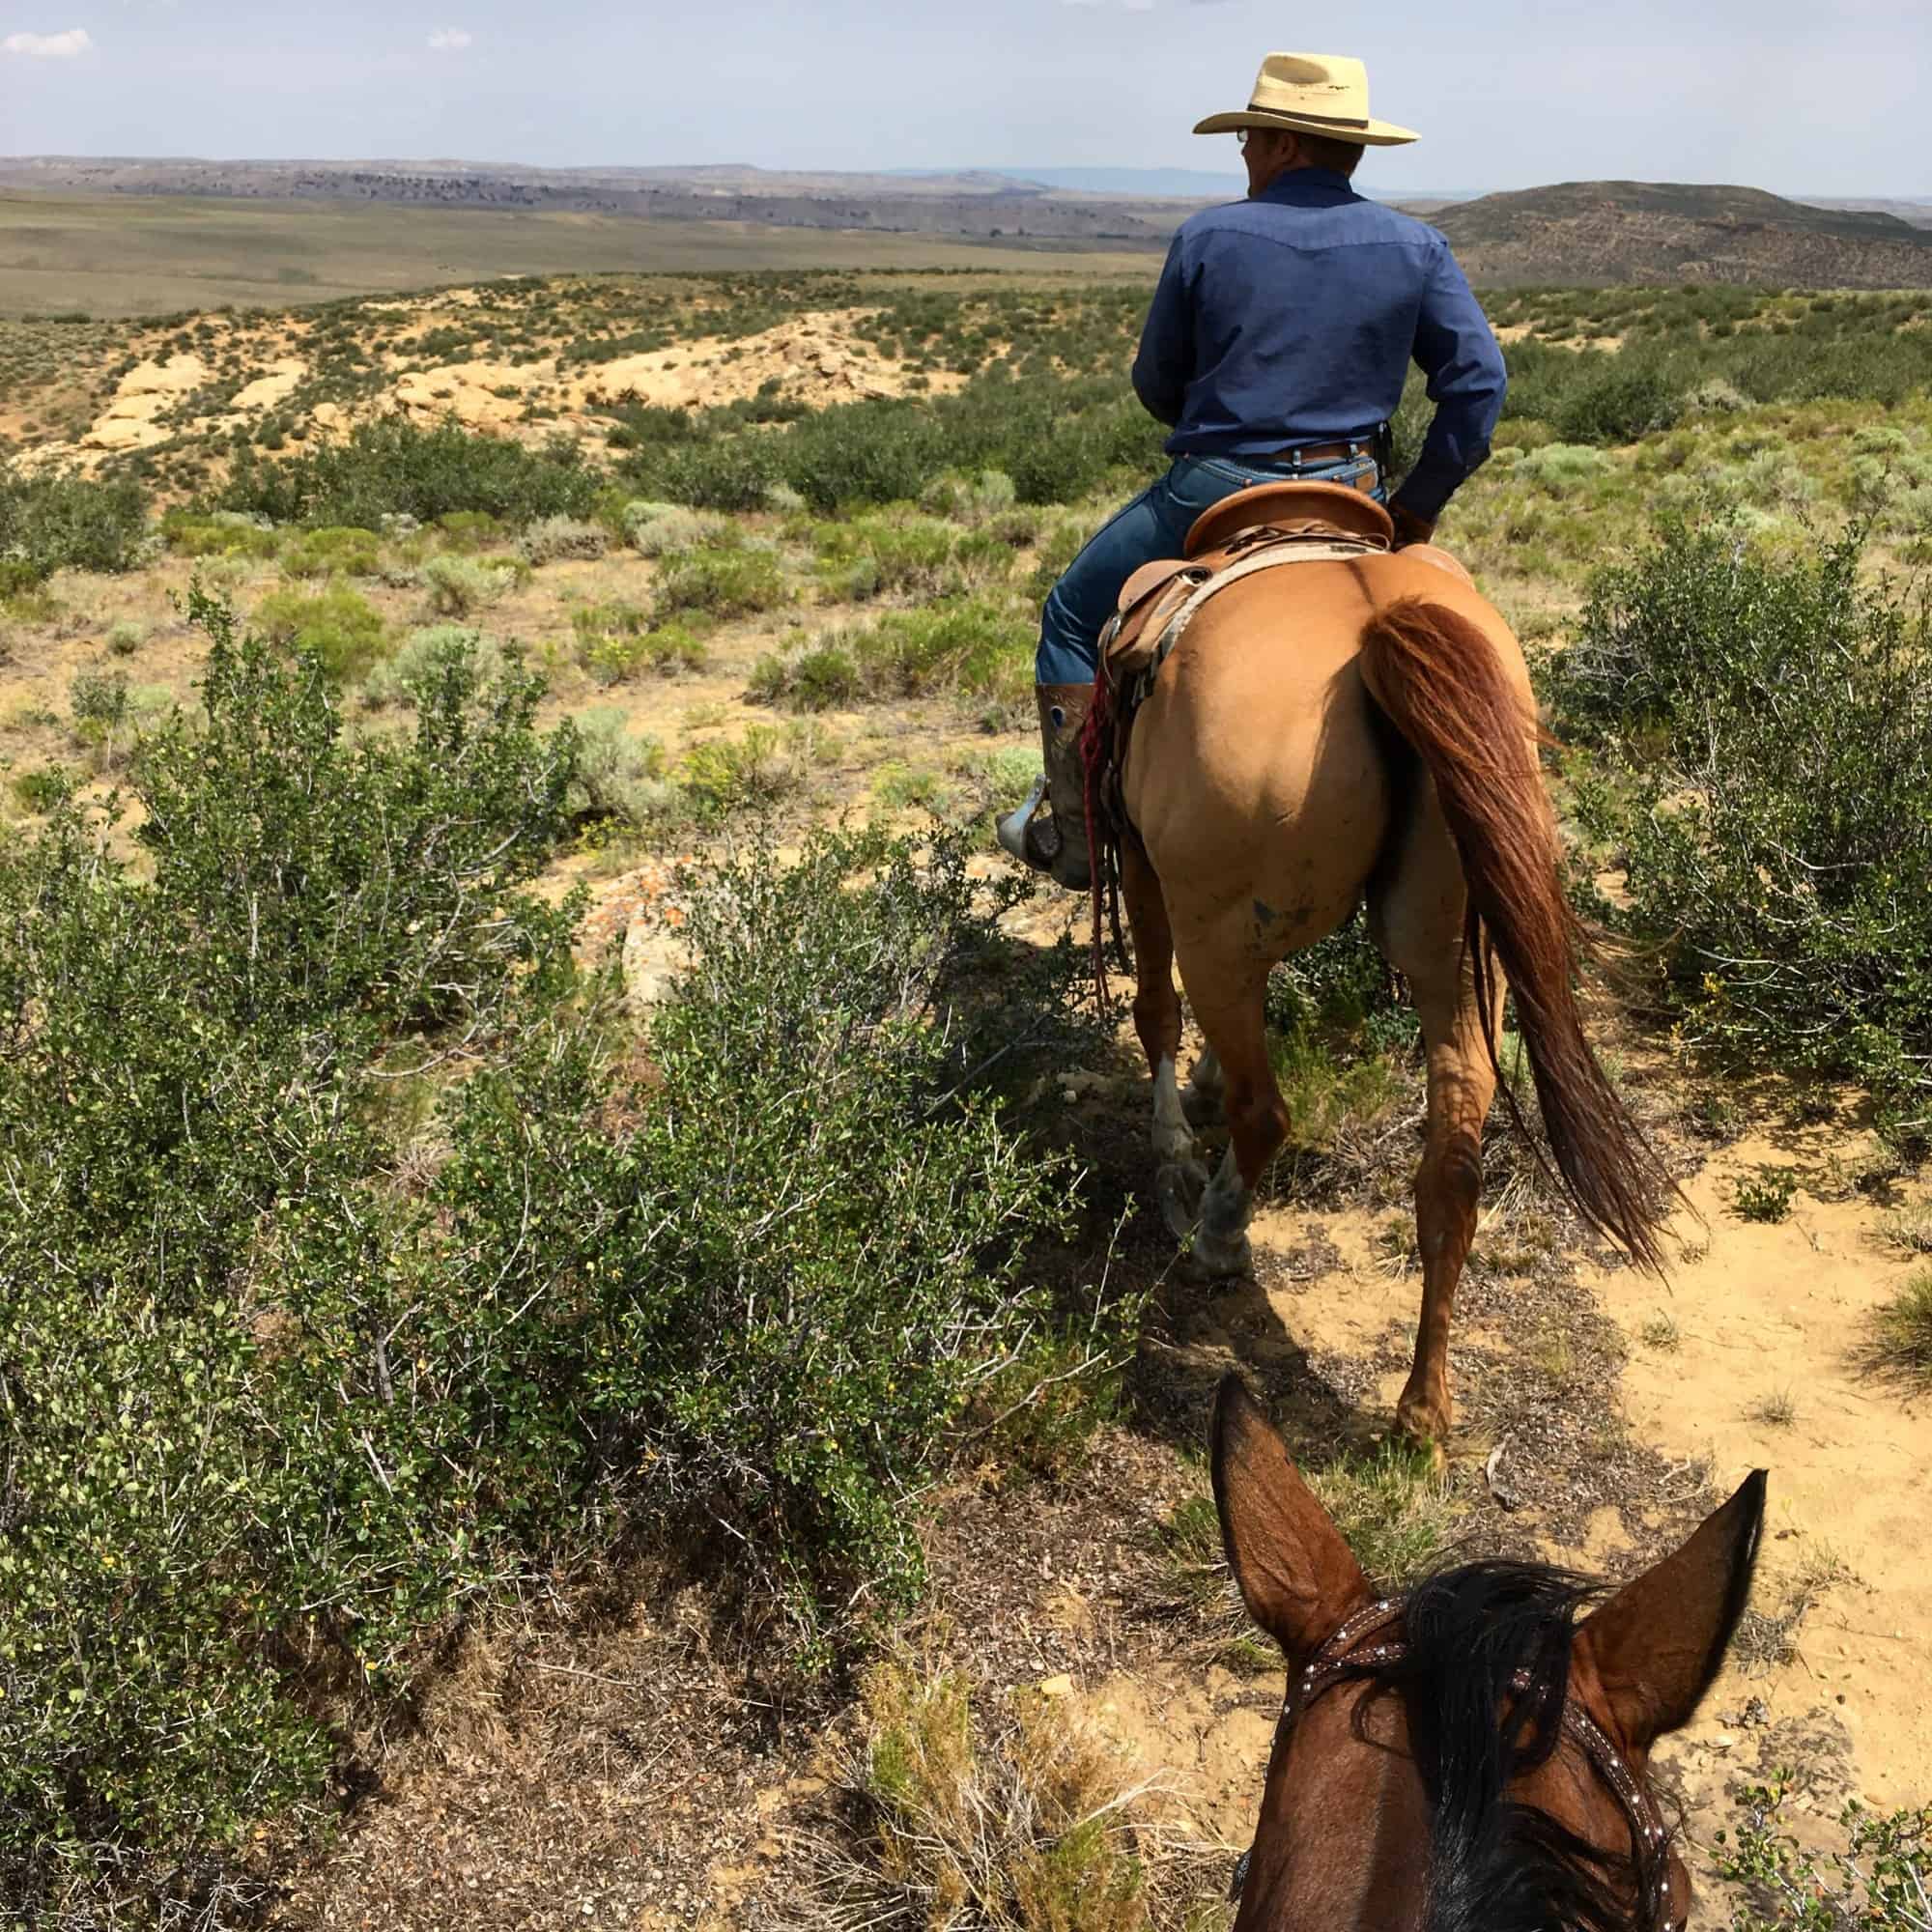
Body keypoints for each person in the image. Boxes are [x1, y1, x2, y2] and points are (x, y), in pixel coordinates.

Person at [1017, 51, 1508, 891]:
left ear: (1284, 144)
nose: (1242, 152)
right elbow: (1480, 385)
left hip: (1219, 485)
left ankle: (1079, 837)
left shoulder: (1208, 238)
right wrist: (1416, 508)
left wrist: (1221, 419)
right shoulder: (1418, 246)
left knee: (1069, 613)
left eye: (1248, 137)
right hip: (1353, 493)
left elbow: (1156, 383)